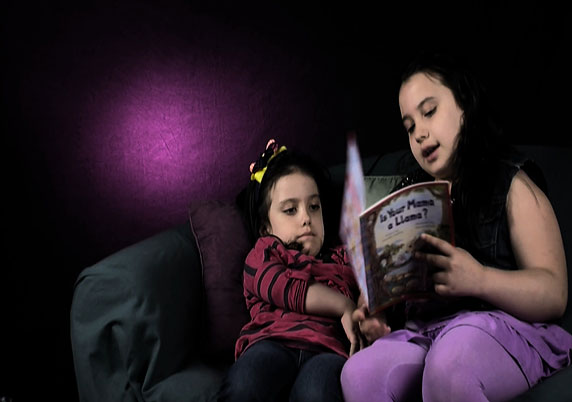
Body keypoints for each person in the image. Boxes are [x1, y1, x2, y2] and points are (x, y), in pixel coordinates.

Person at [341, 51, 572, 402]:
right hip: (426, 333)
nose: (420, 133)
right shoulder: (408, 195)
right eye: (409, 127)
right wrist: (374, 312)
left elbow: (554, 293)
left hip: (497, 330)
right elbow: (385, 288)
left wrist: (480, 278)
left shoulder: (510, 182)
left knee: (451, 360)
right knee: (359, 373)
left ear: (464, 105)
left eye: (429, 112)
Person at [218, 140, 362, 402]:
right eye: (290, 210)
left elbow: (369, 292)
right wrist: (343, 305)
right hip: (272, 342)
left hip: (327, 350)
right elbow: (284, 288)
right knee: (245, 385)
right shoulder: (265, 252)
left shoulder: (344, 258)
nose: (306, 218)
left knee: (317, 393)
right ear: (265, 227)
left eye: (314, 207)